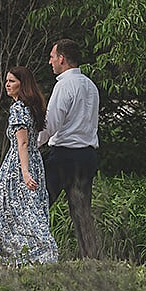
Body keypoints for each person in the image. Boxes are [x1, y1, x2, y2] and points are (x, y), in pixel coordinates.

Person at [0, 67, 59, 266]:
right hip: (35, 162)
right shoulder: (30, 107)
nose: (7, 85)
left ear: (22, 84)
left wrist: (24, 172)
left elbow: (23, 143)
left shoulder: (18, 108)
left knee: (2, 210)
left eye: (11, 81)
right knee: (29, 210)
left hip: (19, 166)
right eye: (6, 81)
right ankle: (32, 256)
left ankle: (33, 254)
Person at [39, 38, 102, 259]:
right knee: (82, 212)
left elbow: (51, 124)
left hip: (65, 156)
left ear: (62, 59)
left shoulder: (64, 85)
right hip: (88, 156)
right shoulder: (90, 86)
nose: (50, 62)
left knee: (39, 203)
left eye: (52, 57)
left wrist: (29, 145)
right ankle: (90, 259)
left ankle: (36, 254)